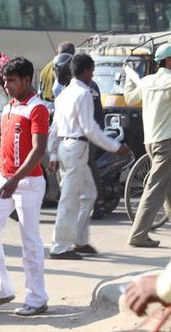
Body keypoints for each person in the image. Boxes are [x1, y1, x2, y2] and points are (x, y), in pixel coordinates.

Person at [0, 57, 50, 316]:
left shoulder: (37, 108)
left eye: (11, 80)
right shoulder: (9, 106)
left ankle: (37, 298)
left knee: (29, 240)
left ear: (27, 80)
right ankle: (2, 289)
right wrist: (7, 178)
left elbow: (39, 149)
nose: (6, 85)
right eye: (5, 80)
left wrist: (16, 180)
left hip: (27, 182)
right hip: (6, 180)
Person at [48, 54, 130, 260]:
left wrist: (52, 152)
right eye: (92, 71)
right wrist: (114, 147)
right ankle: (60, 246)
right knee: (70, 199)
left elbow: (55, 127)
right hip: (77, 147)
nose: (92, 74)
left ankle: (79, 240)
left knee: (89, 194)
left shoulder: (64, 94)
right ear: (85, 71)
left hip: (68, 148)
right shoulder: (84, 94)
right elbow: (89, 128)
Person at [124, 43, 171, 248]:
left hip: (151, 141)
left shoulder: (147, 81)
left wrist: (128, 77)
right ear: (169, 60)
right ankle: (138, 234)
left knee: (166, 185)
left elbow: (129, 98)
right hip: (167, 142)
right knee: (155, 188)